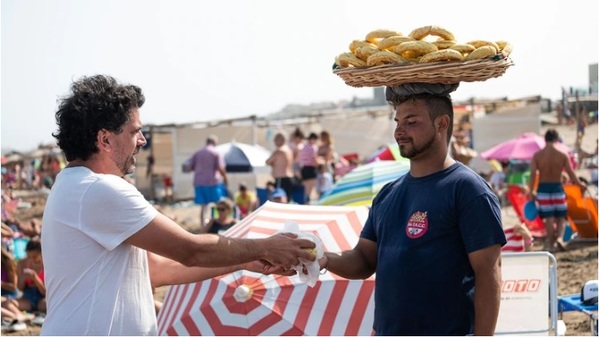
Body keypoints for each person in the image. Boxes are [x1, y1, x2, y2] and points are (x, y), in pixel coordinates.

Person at [40, 74, 316, 335]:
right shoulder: (98, 189)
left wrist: (247, 259)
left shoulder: (76, 186)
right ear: (105, 139)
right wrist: (267, 246)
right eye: (135, 131)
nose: (142, 141)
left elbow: (157, 270)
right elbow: (190, 250)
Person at [319, 83, 506, 336]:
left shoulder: (467, 189)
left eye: (411, 121)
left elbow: (489, 273)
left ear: (441, 123)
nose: (399, 131)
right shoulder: (387, 194)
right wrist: (322, 258)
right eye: (397, 122)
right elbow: (363, 259)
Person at [527, 128, 587, 252]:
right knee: (560, 216)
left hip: (543, 188)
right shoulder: (562, 155)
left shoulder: (538, 155)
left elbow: (533, 174)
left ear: (545, 139)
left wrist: (531, 190)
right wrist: (580, 184)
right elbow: (571, 173)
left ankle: (550, 241)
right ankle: (559, 238)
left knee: (548, 217)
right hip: (557, 187)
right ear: (556, 139)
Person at [187, 135, 229, 228]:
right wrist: (225, 178)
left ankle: (204, 226)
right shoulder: (215, 153)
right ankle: (219, 223)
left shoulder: (197, 153)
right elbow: (220, 168)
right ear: (215, 143)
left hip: (199, 182)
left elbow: (189, 167)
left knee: (203, 206)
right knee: (218, 203)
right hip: (212, 182)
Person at [16, 237, 45, 314]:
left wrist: (35, 278)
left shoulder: (47, 264)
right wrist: (22, 279)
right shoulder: (22, 263)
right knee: (10, 304)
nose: (32, 260)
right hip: (27, 296)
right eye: (29, 256)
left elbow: (45, 292)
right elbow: (20, 288)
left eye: (35, 257)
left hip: (42, 297)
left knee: (47, 305)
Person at [265, 132, 295, 201]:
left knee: (279, 200)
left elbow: (268, 161)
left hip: (281, 178)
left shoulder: (279, 151)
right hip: (288, 177)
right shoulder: (289, 150)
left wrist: (273, 163)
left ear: (280, 140)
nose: (274, 142)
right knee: (287, 199)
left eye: (275, 140)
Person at [297, 132, 319, 204]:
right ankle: (308, 203)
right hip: (311, 169)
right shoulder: (313, 147)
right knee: (310, 190)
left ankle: (306, 202)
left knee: (306, 190)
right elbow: (314, 159)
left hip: (304, 169)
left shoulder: (304, 147)